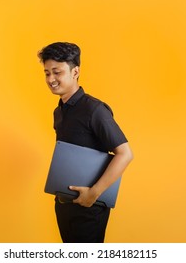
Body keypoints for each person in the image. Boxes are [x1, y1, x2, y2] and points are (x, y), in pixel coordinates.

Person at [38, 42, 133, 243]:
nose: (51, 79)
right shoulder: (59, 111)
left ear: (75, 72)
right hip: (64, 204)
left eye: (57, 72)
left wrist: (93, 193)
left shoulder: (95, 110)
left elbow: (125, 153)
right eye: (47, 73)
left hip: (89, 208)